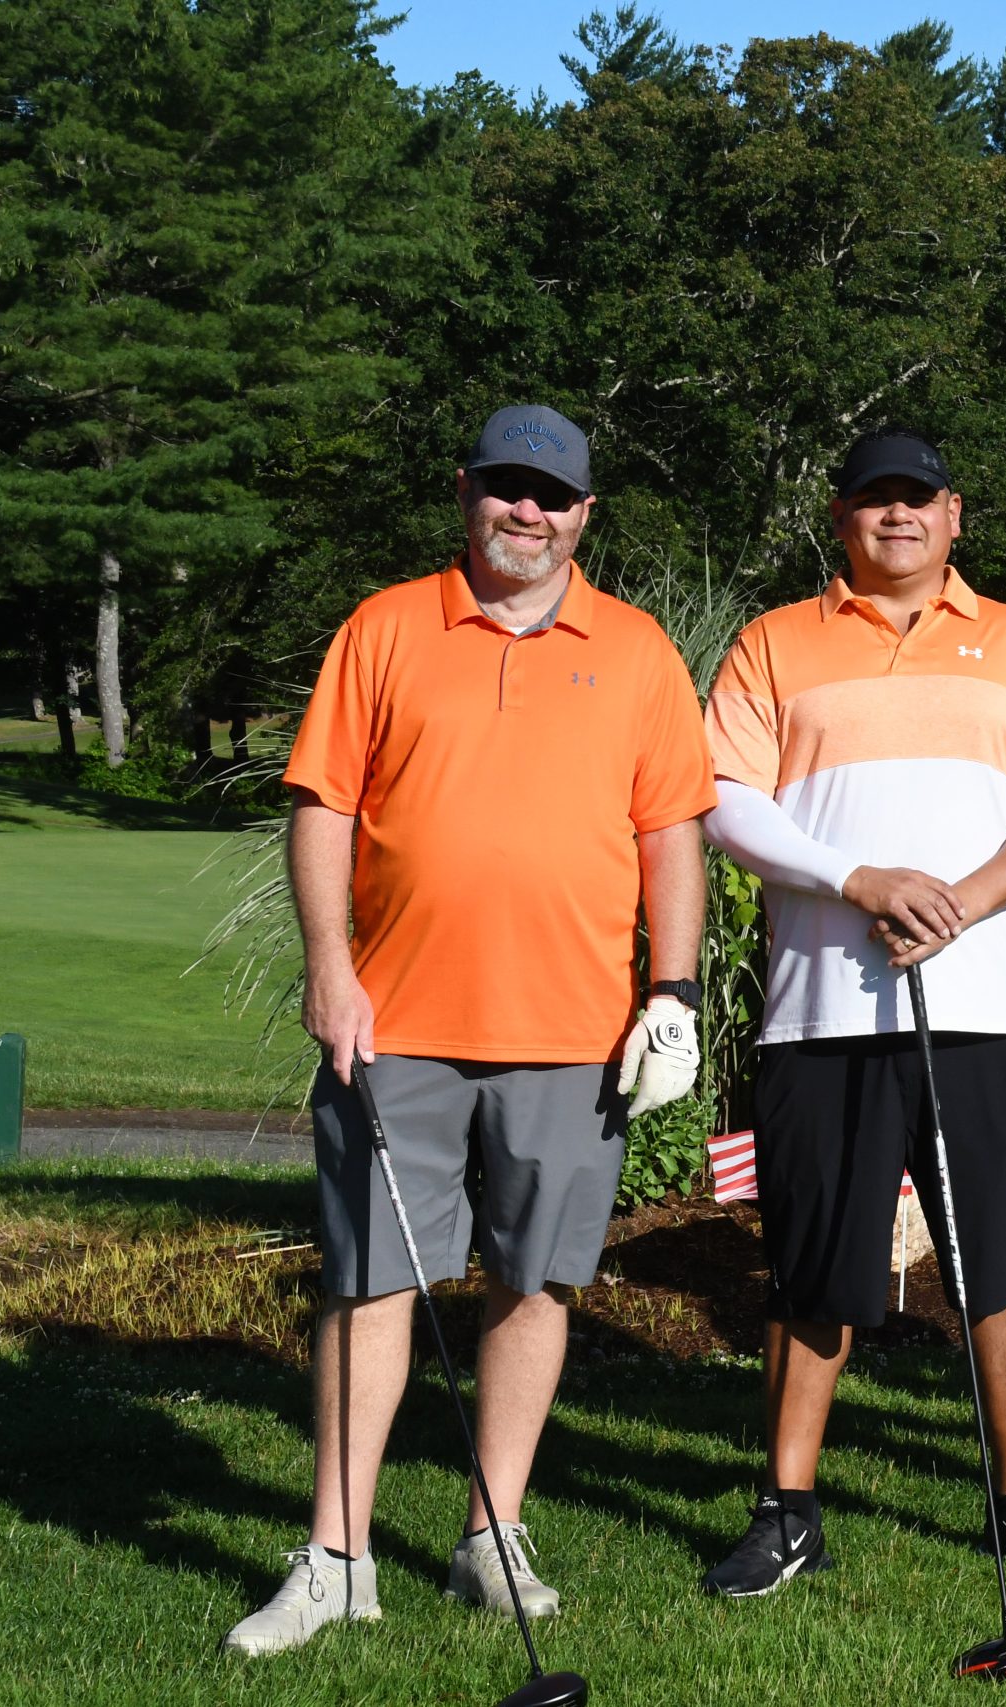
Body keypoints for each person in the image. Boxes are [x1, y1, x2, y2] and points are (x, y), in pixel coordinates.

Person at [224, 406, 715, 1655]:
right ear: (466, 493)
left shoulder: (638, 650)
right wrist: (328, 969)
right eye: (505, 487)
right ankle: (337, 1557)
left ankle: (492, 1532)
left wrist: (674, 994)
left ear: (584, 514)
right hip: (393, 1026)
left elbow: (671, 833)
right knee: (368, 1282)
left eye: (551, 496)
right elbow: (325, 806)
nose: (525, 512)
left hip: (576, 1031)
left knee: (534, 1280)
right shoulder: (387, 627)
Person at [696, 427, 1006, 1595]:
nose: (898, 516)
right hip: (822, 1015)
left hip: (985, 1009)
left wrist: (958, 904)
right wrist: (860, 881)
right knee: (811, 1269)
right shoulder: (773, 641)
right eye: (875, 499)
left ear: (953, 515)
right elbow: (725, 801)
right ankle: (787, 1508)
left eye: (918, 498)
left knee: (1001, 1261)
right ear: (841, 517)